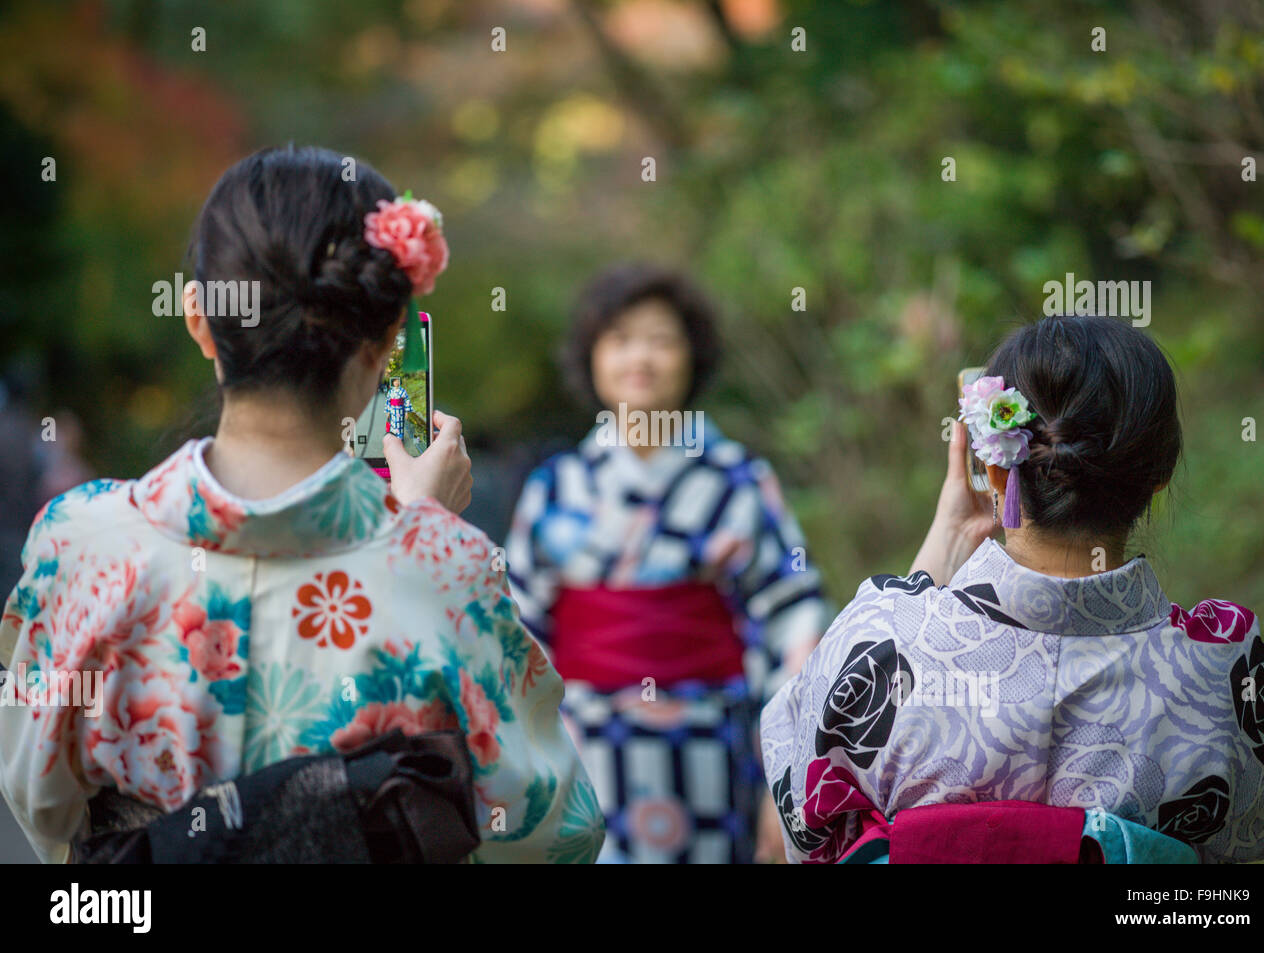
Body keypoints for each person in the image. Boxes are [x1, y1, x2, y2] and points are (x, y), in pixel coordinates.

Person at [0, 144, 604, 864]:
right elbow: (552, 834)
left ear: (200, 320)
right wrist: (419, 532)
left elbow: (40, 798)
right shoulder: (446, 566)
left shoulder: (79, 542)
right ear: (386, 345)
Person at [761, 314, 1264, 863]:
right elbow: (1256, 834)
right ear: (1159, 474)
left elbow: (805, 830)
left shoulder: (876, 641)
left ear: (994, 470)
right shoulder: (1227, 670)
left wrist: (942, 546)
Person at [505, 264, 829, 863]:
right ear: (592, 356)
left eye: (662, 339)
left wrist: (787, 774)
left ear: (693, 357)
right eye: (621, 339)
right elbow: (516, 629)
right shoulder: (557, 486)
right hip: (582, 750)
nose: (641, 358)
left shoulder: (737, 482)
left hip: (714, 748)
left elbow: (795, 612)